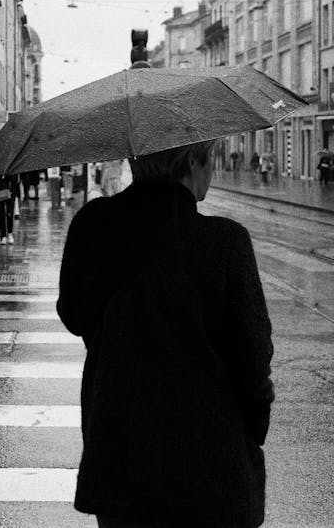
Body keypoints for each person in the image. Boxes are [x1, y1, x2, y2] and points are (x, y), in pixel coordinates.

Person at [57, 141, 274, 528]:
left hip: (119, 454)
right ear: (193, 160)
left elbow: (73, 316)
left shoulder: (93, 225)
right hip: (211, 463)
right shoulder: (225, 241)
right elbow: (253, 356)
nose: (212, 170)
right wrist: (252, 429)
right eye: (212, 160)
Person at [0, 172, 20, 245]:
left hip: (10, 194)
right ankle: (3, 236)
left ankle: (10, 234)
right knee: (1, 214)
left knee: (9, 213)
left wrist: (16, 194)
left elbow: (15, 183)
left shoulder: (13, 170)